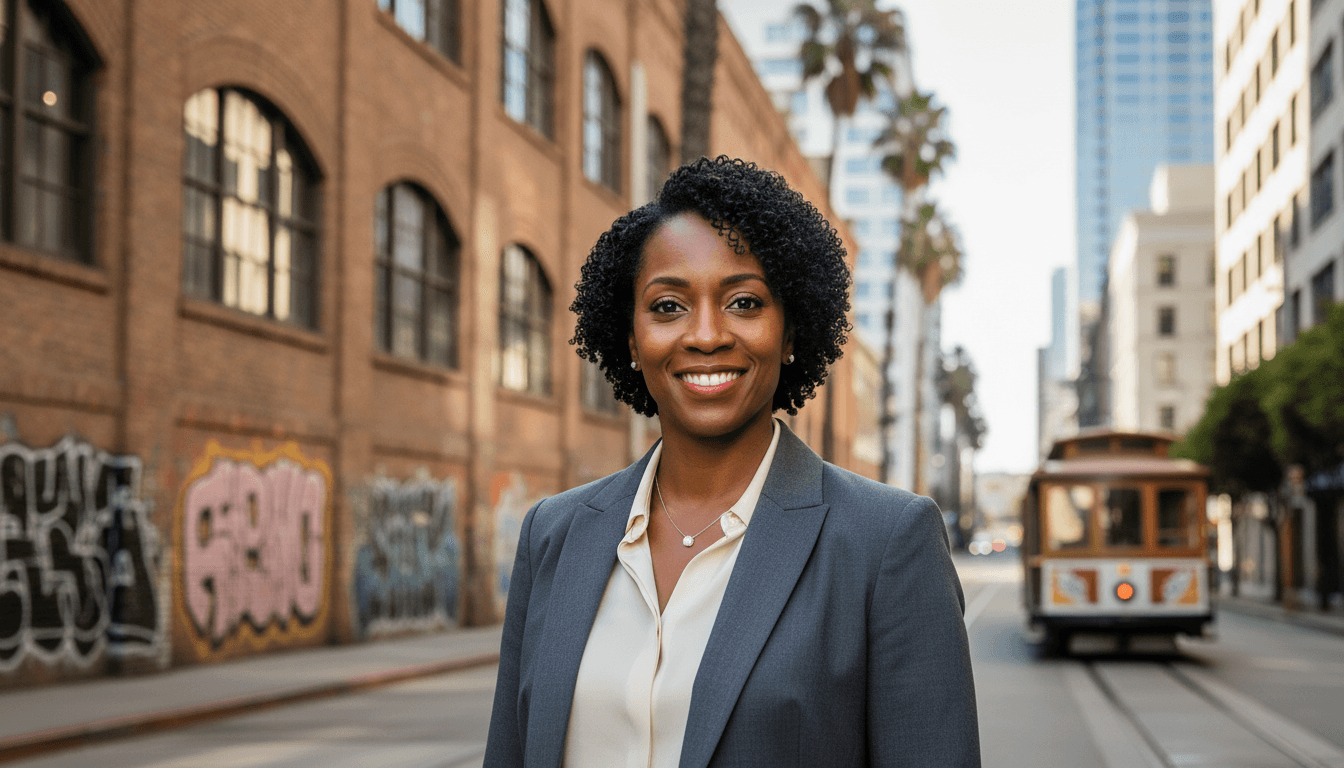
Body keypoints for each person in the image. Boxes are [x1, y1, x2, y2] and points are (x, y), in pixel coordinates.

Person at [484, 156, 979, 768]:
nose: (707, 334)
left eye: (744, 302)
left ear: (792, 330)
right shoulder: (552, 535)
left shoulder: (886, 543)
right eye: (668, 307)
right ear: (632, 339)